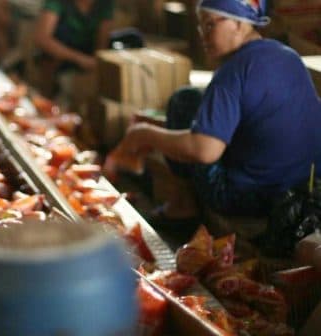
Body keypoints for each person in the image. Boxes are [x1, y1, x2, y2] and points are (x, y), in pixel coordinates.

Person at [104, 0, 321, 223]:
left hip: (253, 198)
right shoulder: (288, 55)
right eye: (201, 27)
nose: (202, 35)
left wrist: (142, 133)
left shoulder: (232, 71)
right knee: (195, 99)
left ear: (239, 24)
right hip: (303, 191)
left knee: (184, 102)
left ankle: (182, 204)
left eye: (209, 25)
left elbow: (204, 151)